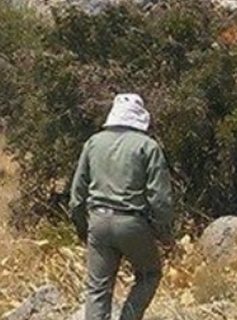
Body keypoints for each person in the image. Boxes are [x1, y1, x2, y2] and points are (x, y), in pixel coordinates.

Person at [69, 93, 175, 320]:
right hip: (131, 223)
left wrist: (82, 227)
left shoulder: (93, 143)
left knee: (97, 289)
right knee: (149, 274)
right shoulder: (148, 146)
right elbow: (159, 198)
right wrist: (164, 234)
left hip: (97, 221)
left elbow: (77, 194)